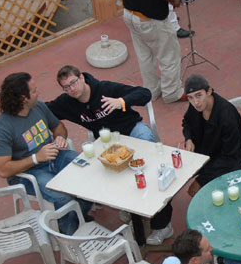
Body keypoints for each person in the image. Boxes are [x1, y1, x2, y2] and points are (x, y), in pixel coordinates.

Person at [47, 65, 173, 246]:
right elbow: (44, 110)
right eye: (66, 87)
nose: (71, 89)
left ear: (82, 78)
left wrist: (121, 102)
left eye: (73, 82)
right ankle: (133, 210)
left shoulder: (105, 89)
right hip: (109, 144)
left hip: (132, 130)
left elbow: (145, 93)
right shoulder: (67, 102)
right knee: (112, 177)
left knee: (149, 168)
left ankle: (163, 224)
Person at [0, 72, 92, 235]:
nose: (39, 93)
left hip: (54, 156)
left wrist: (59, 138)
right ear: (23, 98)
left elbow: (58, 127)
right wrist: (36, 158)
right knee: (61, 196)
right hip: (28, 172)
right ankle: (70, 233)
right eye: (34, 91)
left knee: (88, 170)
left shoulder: (38, 106)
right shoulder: (2, 129)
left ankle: (80, 216)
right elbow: (3, 170)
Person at [122, 0, 185, 104]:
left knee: (144, 55)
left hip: (129, 14)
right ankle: (172, 93)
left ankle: (151, 91)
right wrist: (174, 0)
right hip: (150, 20)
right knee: (169, 56)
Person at [182, 75, 241, 197]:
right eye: (190, 98)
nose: (195, 102)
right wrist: (188, 139)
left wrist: (201, 180)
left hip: (227, 160)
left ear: (209, 91)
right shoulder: (196, 106)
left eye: (198, 95)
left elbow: (229, 157)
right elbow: (187, 122)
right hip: (205, 153)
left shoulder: (227, 115)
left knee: (196, 191)